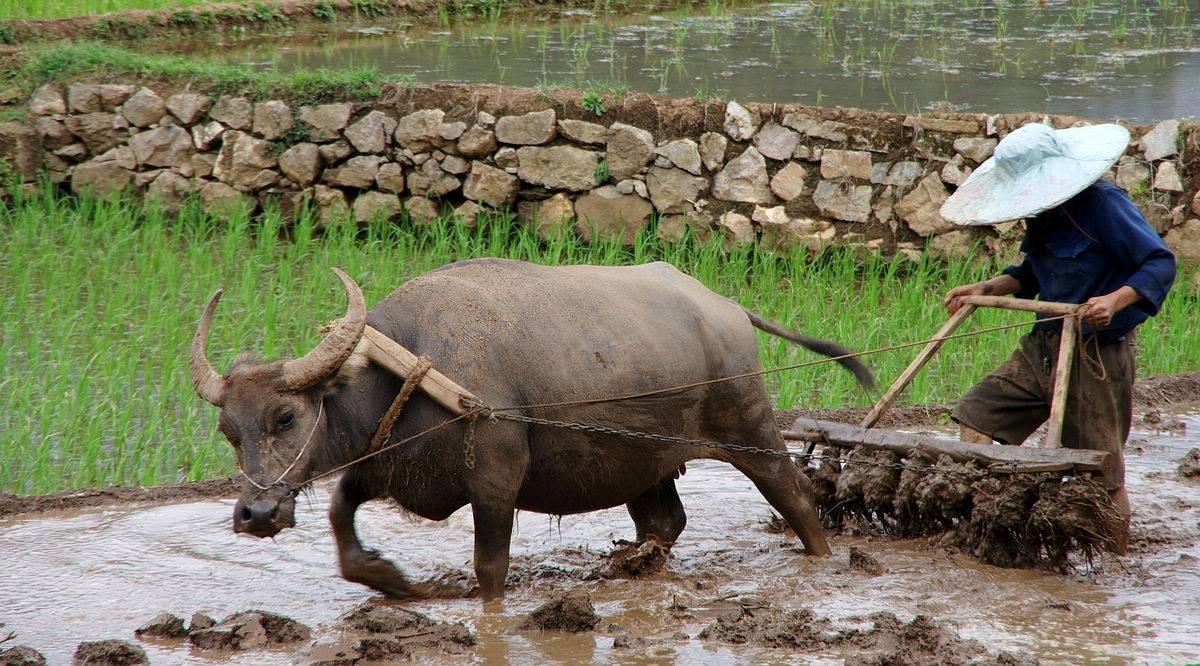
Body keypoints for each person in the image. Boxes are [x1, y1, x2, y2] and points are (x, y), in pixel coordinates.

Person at [939, 122, 1176, 554]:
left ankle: (1114, 564)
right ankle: (994, 521)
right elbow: (1034, 271)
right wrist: (988, 288)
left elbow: (1159, 264)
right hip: (1043, 345)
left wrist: (1114, 301)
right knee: (976, 416)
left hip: (1095, 353)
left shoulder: (1104, 204)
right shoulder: (1043, 212)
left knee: (1100, 470)